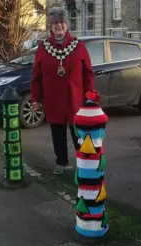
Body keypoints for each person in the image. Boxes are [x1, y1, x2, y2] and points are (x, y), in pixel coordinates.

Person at [30, 6, 95, 175]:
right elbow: (36, 76)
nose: (59, 25)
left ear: (67, 25)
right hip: (54, 100)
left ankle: (83, 164)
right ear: (51, 27)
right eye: (55, 23)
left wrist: (91, 95)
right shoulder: (43, 48)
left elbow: (88, 73)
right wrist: (36, 98)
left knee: (79, 135)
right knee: (57, 134)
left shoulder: (78, 46)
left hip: (75, 100)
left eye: (62, 22)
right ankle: (62, 162)